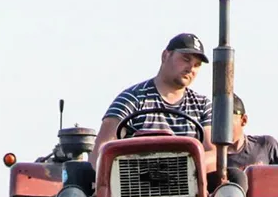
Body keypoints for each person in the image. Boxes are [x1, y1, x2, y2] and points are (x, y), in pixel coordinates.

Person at [89, 32, 219, 173]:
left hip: (189, 186)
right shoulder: (132, 99)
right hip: (136, 184)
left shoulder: (202, 106)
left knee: (235, 179)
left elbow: (214, 154)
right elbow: (102, 150)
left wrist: (176, 168)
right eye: (185, 59)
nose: (191, 68)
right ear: (165, 56)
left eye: (197, 65)